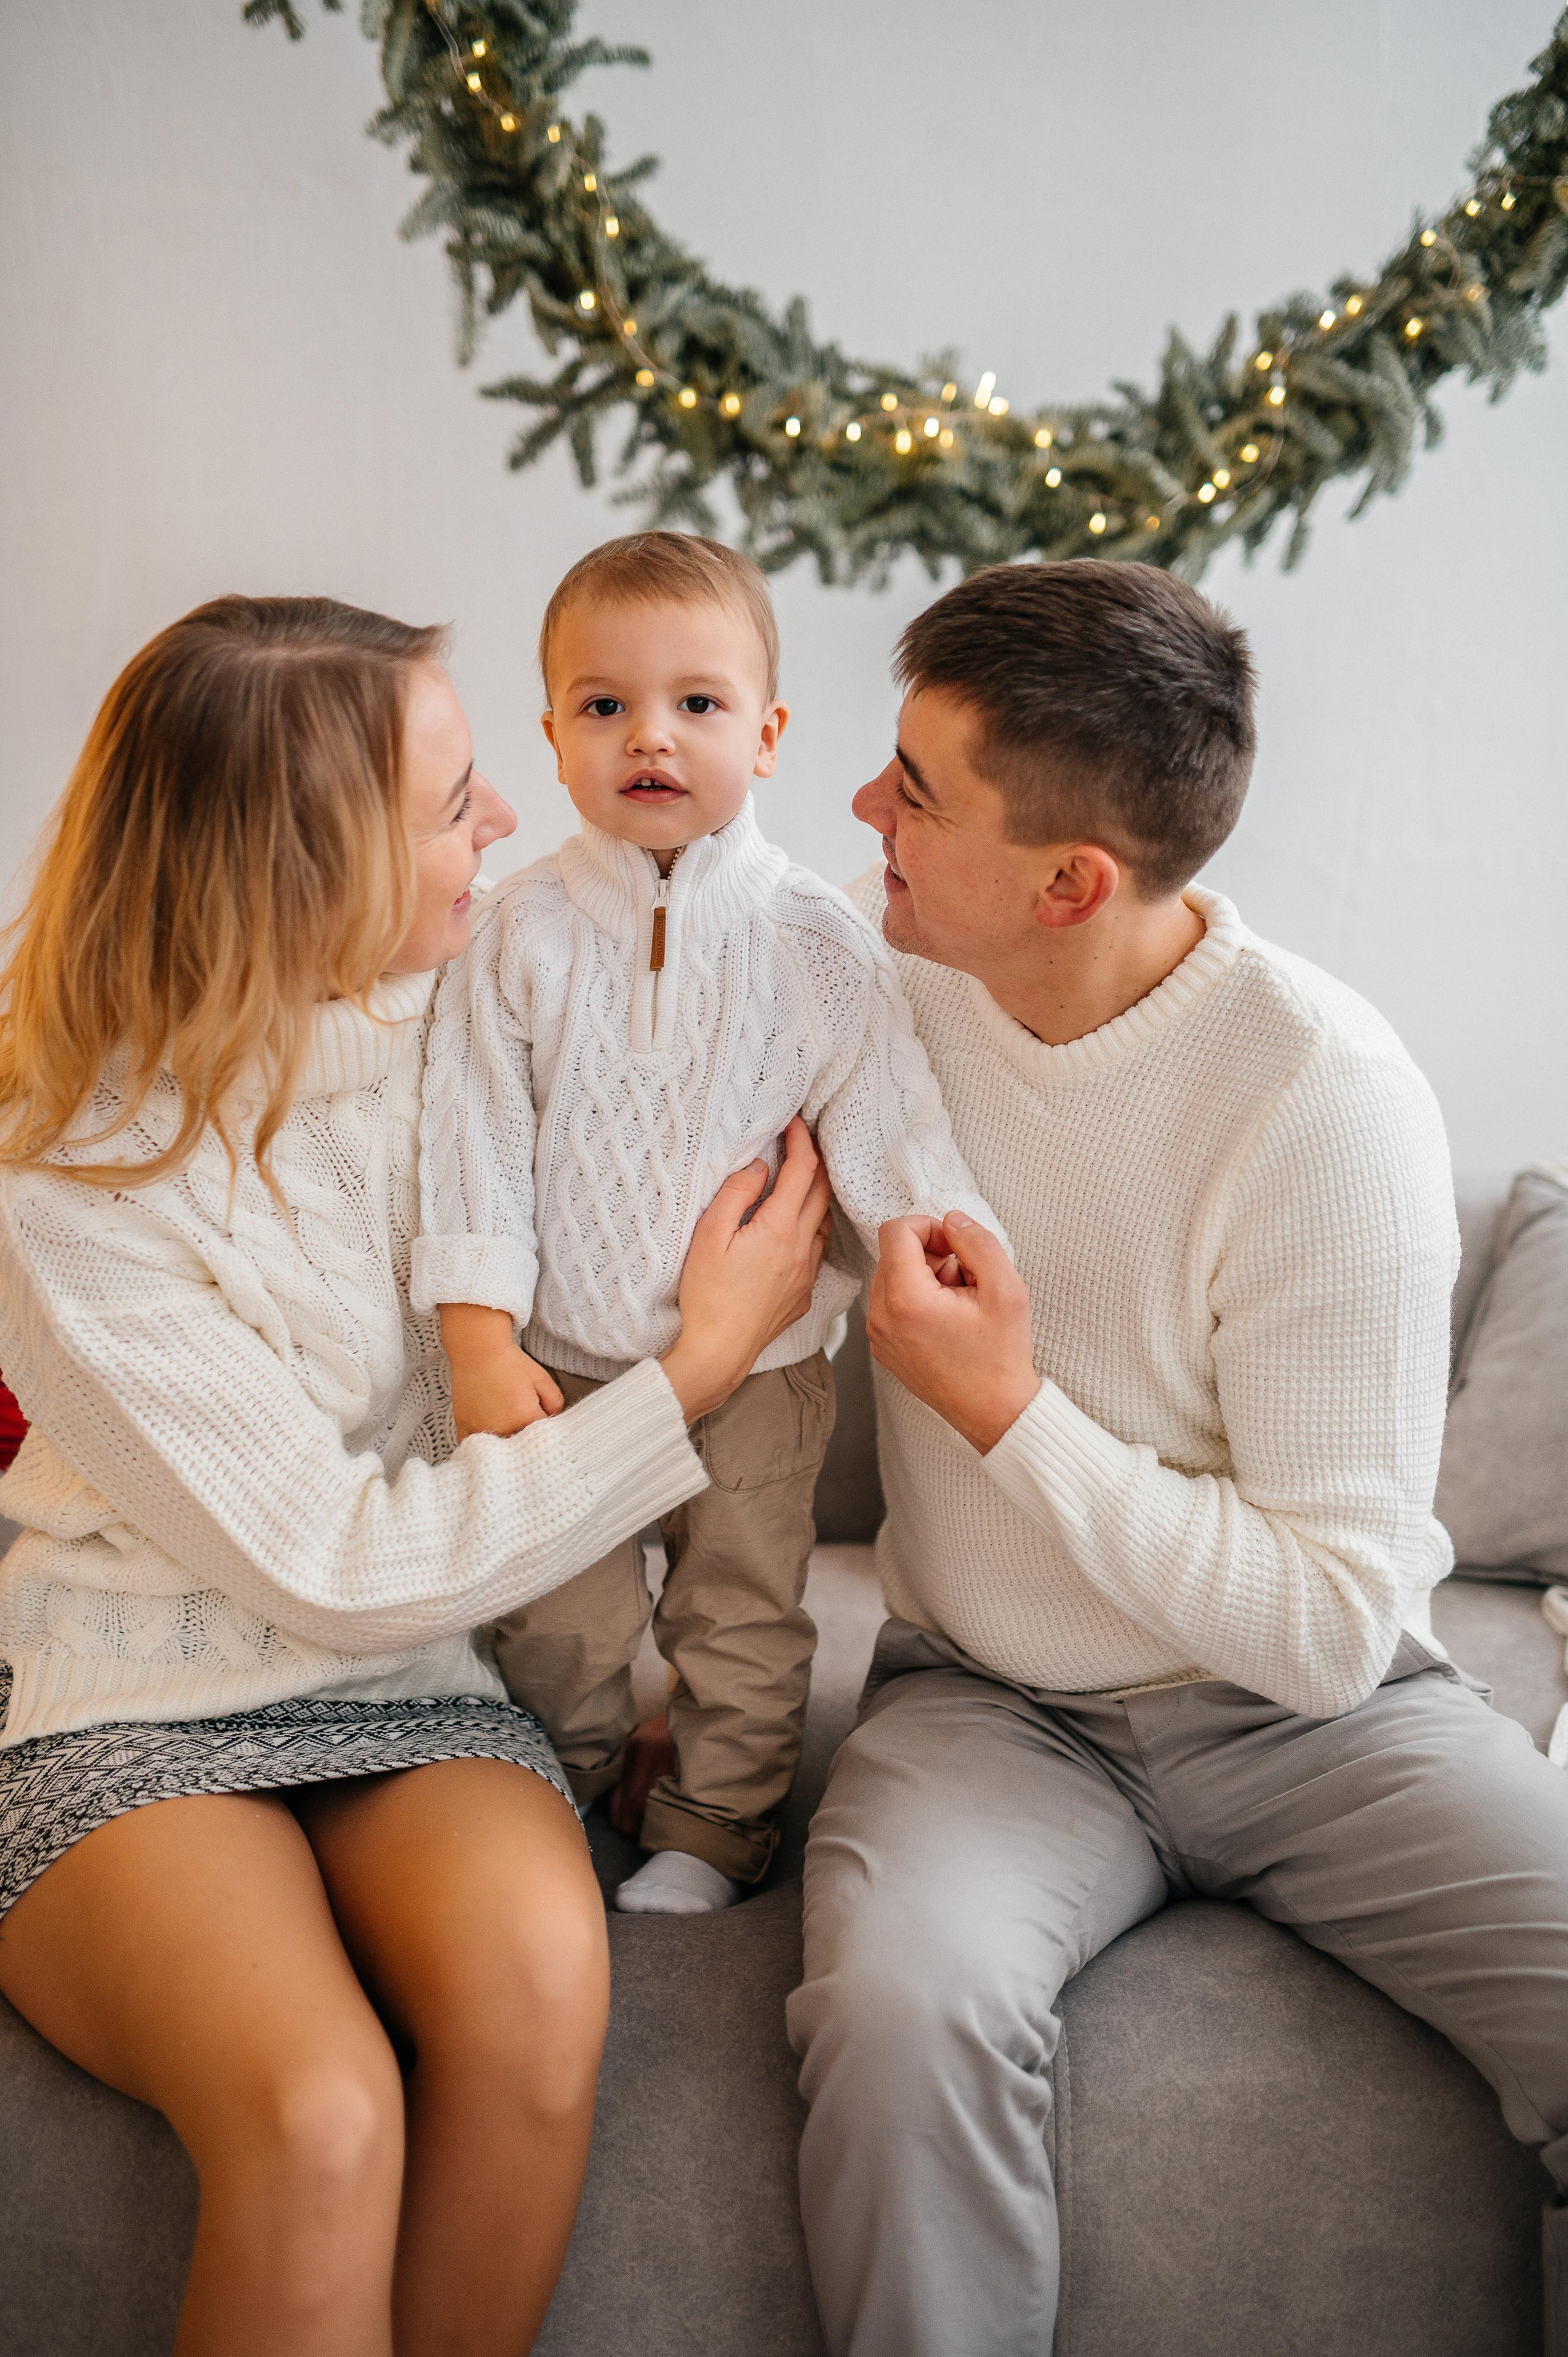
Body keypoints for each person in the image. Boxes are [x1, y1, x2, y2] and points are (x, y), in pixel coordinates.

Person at [0, 593, 832, 2357]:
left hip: (418, 1692)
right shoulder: (67, 1179)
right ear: (304, 869)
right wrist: (691, 1372)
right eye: (458, 806)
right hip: (133, 1705)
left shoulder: (477, 1022)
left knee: (541, 1992)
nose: (513, 824)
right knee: (320, 2109)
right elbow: (334, 1561)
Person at [786, 559, 1568, 2356]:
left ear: (1071, 882)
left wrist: (1009, 1413)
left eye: (914, 789)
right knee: (899, 2019)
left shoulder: (1325, 1108)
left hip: (1320, 1720)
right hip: (991, 1704)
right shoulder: (869, 976)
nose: (863, 810)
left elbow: (1320, 1630)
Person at [415, 532, 999, 1918]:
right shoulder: (516, 931)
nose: (650, 738)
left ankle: (714, 1826)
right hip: (564, 1360)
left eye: (697, 704)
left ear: (768, 732)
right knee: (559, 1617)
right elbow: (473, 1139)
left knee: (739, 1609)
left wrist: (937, 1227)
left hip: (768, 1365)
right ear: (551, 734)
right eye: (604, 706)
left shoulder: (816, 936)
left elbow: (883, 1115)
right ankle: (546, 1797)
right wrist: (479, 1342)